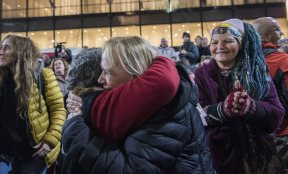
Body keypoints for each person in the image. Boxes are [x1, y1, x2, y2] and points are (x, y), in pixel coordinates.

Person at [62, 36, 213, 173]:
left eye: (108, 72)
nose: (101, 80)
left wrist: (76, 129)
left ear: (133, 73)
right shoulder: (140, 103)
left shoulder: (163, 109)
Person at [0, 35, 66, 174]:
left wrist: (50, 140)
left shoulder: (43, 76)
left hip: (33, 153)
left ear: (21, 51)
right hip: (0, 155)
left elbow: (59, 110)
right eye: (1, 48)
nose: (1, 52)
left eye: (7, 48)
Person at [195, 19, 284, 174]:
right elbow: (193, 117)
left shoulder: (257, 73)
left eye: (228, 41)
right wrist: (223, 110)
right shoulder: (201, 75)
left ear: (241, 44)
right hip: (217, 159)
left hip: (258, 159)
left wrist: (250, 107)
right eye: (214, 42)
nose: (220, 47)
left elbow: (277, 113)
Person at [252, 17, 288, 173]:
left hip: (254, 136)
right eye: (277, 30)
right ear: (265, 35)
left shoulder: (240, 63)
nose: (280, 33)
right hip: (283, 133)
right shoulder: (282, 60)